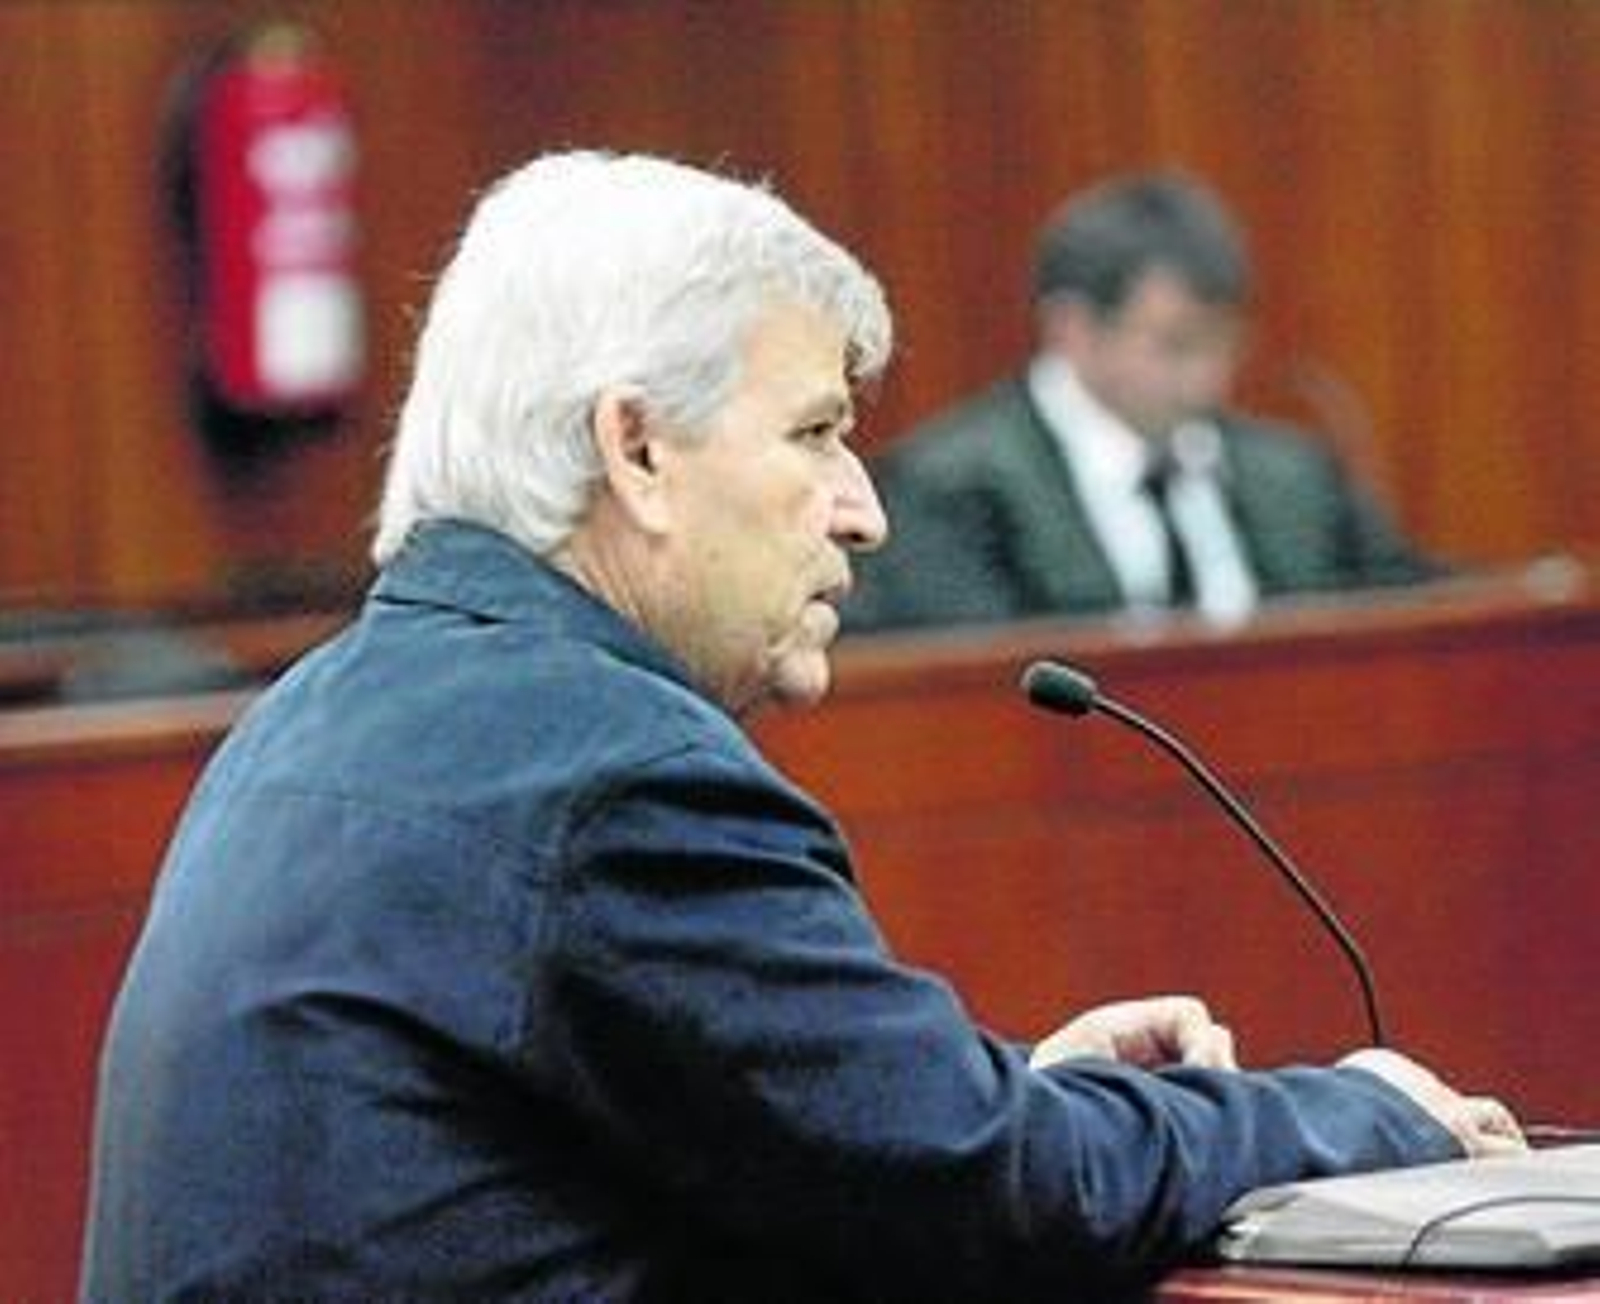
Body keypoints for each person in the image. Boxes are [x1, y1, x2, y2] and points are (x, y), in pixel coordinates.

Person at [82, 151, 1520, 1303]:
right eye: (816, 432)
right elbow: (989, 1196)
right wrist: (1354, 1113)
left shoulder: (324, 716)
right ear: (635, 450)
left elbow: (794, 1148)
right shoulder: (608, 777)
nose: (863, 508)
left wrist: (1016, 1091)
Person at [849, 171, 1441, 632]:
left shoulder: (1296, 477)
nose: (1209, 378)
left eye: (1224, 344)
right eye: (1176, 345)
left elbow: (1413, 608)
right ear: (1073, 330)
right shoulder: (947, 491)